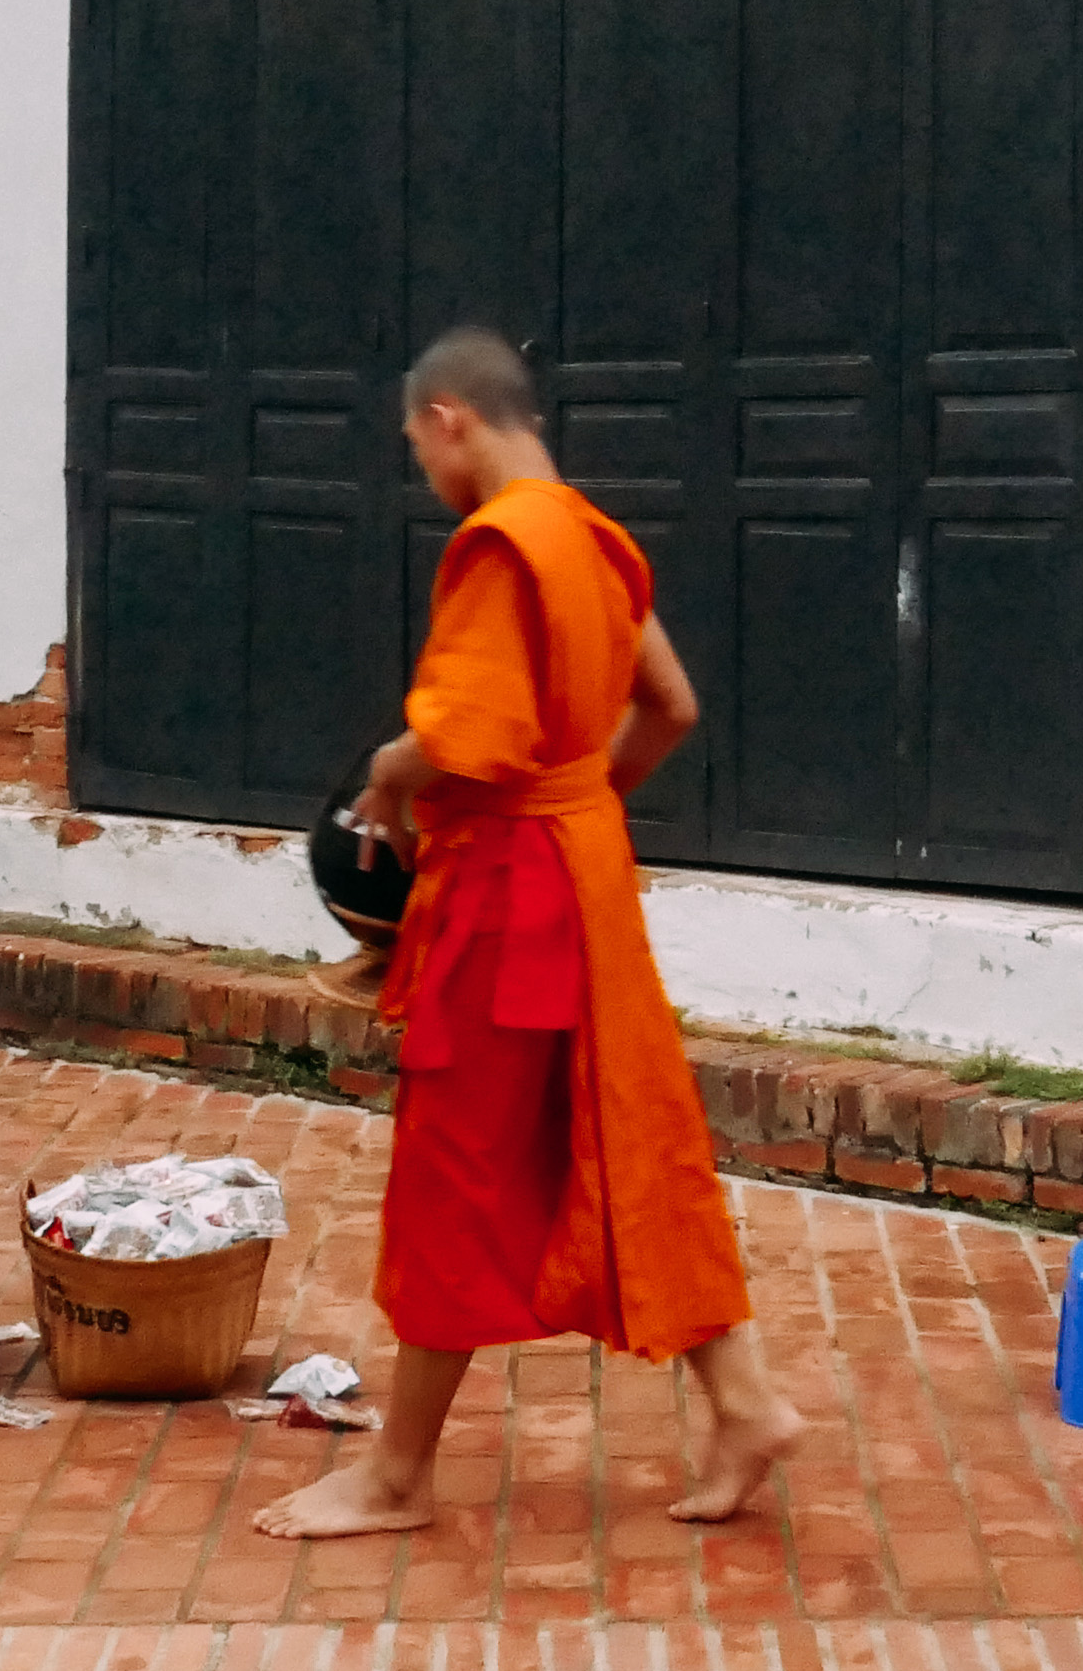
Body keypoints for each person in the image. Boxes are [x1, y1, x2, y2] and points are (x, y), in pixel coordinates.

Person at [257, 328, 805, 1540]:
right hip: (586, 873)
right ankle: (746, 1400)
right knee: (626, 1133)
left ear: (449, 416)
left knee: (457, 1167)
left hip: (508, 897)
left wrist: (393, 774)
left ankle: (396, 1476)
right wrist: (581, 794)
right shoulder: (596, 541)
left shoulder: (501, 542)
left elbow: (464, 739)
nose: (424, 473)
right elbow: (670, 707)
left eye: (417, 446)